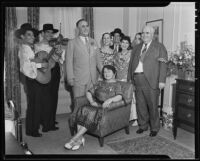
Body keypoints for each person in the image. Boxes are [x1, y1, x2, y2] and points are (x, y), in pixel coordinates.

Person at [64, 65, 123, 150]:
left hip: (104, 108)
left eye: (109, 72)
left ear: (114, 73)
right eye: (104, 72)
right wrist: (92, 101)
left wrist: (110, 100)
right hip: (95, 104)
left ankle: (74, 139)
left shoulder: (117, 84)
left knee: (91, 112)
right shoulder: (100, 83)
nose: (106, 74)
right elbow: (89, 92)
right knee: (82, 109)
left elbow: (120, 96)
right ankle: (79, 139)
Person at [127, 25, 168, 137]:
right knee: (140, 105)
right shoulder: (136, 47)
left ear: (153, 34)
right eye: (143, 33)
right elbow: (131, 64)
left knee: (152, 105)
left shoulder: (159, 47)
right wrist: (130, 79)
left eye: (147, 33)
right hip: (137, 78)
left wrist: (162, 80)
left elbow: (163, 65)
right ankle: (143, 125)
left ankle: (154, 128)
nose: (144, 35)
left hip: (152, 80)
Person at [16, 23, 48, 137]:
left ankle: (32, 128)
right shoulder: (24, 49)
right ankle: (32, 130)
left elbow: (32, 62)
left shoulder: (28, 48)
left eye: (33, 35)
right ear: (22, 37)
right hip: (32, 80)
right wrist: (40, 65)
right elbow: (25, 67)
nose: (33, 37)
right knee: (34, 104)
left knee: (34, 104)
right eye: (29, 35)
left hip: (33, 79)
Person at [65, 19, 103, 111]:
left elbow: (98, 61)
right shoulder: (72, 43)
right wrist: (70, 78)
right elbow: (68, 62)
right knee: (79, 105)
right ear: (78, 29)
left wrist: (105, 74)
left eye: (87, 26)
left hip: (92, 80)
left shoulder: (93, 41)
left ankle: (89, 125)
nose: (86, 28)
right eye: (83, 26)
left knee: (92, 105)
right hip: (78, 80)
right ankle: (78, 125)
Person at [35, 24, 65, 132]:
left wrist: (59, 53)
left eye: (51, 32)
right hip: (44, 72)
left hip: (55, 71)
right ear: (42, 33)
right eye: (47, 32)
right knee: (46, 98)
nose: (49, 34)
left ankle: (50, 119)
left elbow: (60, 60)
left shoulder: (55, 45)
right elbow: (36, 62)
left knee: (53, 97)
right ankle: (47, 123)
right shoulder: (37, 45)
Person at [114, 35, 137, 126]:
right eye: (123, 42)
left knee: (131, 98)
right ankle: (122, 118)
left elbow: (134, 67)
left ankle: (135, 118)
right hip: (118, 79)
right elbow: (115, 68)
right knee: (120, 99)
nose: (124, 44)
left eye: (126, 43)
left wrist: (131, 78)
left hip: (128, 79)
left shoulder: (132, 53)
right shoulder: (117, 54)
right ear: (120, 43)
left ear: (129, 44)